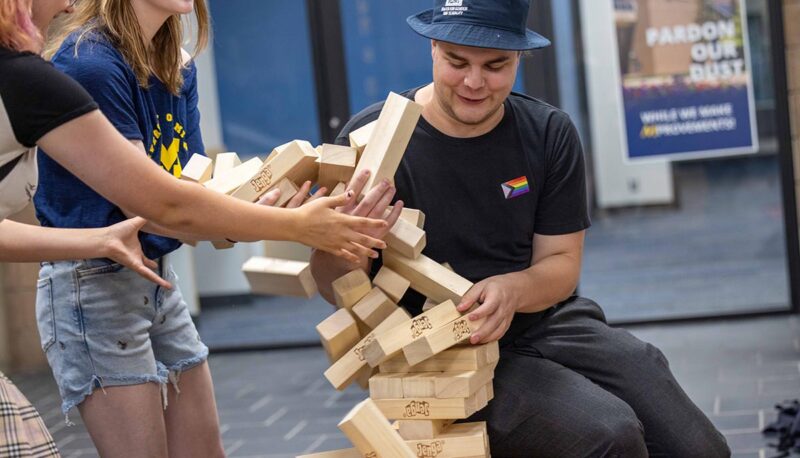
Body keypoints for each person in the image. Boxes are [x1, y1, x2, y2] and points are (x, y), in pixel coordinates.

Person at [310, 1, 731, 456]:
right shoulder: (372, 140)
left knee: (698, 447)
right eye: (457, 62)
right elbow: (331, 286)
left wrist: (511, 290)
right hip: (440, 352)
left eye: (495, 66)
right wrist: (348, 240)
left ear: (519, 58)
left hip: (546, 320)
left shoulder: (548, 132)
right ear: (433, 47)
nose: (474, 82)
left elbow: (561, 265)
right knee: (609, 435)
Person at [1, 0, 392, 456]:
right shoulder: (87, 63)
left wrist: (251, 214)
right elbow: (162, 204)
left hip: (157, 277)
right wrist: (295, 226)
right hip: (93, 290)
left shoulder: (177, 65)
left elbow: (196, 195)